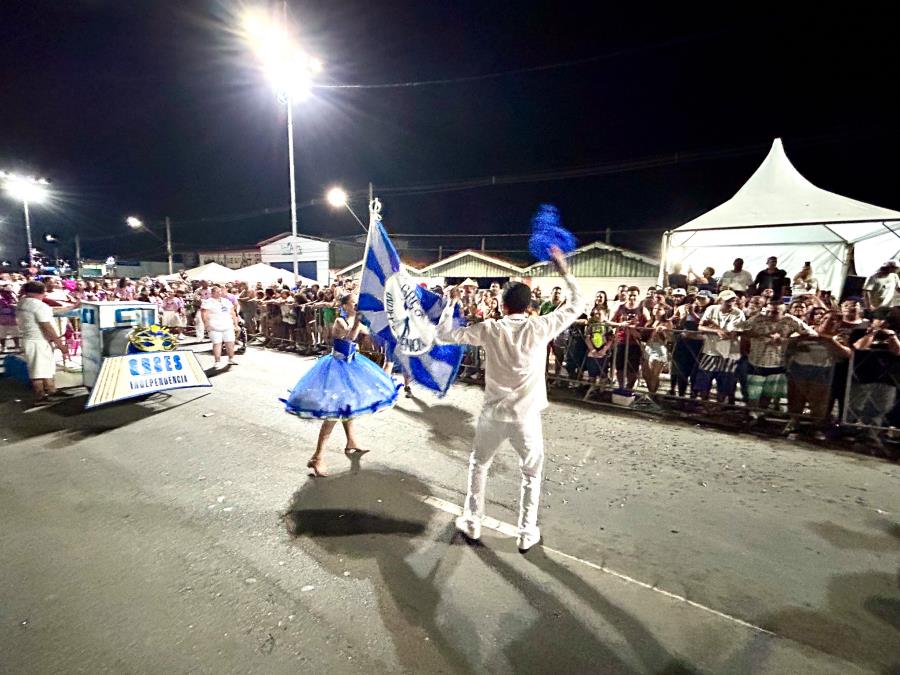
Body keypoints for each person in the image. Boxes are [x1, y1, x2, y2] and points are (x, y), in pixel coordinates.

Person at [437, 246, 583, 553]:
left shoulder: (491, 328)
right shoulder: (540, 325)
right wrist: (564, 270)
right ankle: (526, 532)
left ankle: (473, 522)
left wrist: (450, 305)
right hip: (526, 417)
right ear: (529, 306)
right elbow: (577, 304)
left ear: (503, 306)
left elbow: (446, 335)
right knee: (531, 474)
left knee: (479, 465)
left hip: (493, 415)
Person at [283, 295, 400, 476]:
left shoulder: (357, 321)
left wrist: (392, 332)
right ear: (345, 305)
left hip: (353, 364)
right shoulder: (340, 320)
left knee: (348, 405)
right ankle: (317, 457)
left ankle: (351, 441)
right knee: (333, 413)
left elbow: (373, 334)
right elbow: (348, 338)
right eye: (353, 302)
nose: (356, 305)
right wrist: (358, 323)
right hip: (337, 368)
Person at [15, 281, 69, 405]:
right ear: (41, 292)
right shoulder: (38, 305)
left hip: (32, 340)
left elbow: (52, 311)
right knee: (38, 370)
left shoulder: (23, 302)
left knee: (46, 367)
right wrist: (60, 345)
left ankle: (51, 390)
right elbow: (47, 326)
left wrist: (73, 307)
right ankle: (40, 397)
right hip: (37, 341)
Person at [696, 290, 745, 403]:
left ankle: (720, 404)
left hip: (730, 352)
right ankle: (704, 403)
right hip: (710, 349)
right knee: (705, 378)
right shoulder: (712, 309)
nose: (730, 302)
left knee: (725, 380)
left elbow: (732, 333)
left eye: (733, 300)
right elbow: (700, 327)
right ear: (720, 300)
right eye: (727, 300)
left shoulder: (738, 313)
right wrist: (716, 330)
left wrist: (714, 327)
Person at [609, 286, 649, 391]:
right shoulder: (620, 307)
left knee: (633, 368)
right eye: (630, 295)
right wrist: (620, 323)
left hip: (635, 342)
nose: (632, 298)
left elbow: (650, 323)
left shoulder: (642, 309)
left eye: (634, 295)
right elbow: (610, 322)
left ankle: (629, 388)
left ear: (638, 296)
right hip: (621, 340)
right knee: (620, 367)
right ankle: (621, 387)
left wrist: (638, 329)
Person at [201, 284, 240, 367]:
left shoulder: (226, 301)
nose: (220, 293)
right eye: (217, 292)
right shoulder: (207, 302)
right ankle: (217, 361)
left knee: (230, 343)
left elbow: (233, 313)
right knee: (217, 343)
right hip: (214, 326)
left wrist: (236, 324)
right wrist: (206, 325)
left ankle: (231, 358)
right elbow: (204, 314)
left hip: (228, 325)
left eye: (220, 291)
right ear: (212, 293)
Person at [0, 281, 20, 353]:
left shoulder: (13, 297)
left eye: (9, 292)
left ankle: (17, 347)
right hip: (2, 319)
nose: (9, 293)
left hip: (13, 318)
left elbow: (17, 305)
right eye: (7, 292)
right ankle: (3, 347)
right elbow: (9, 305)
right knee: (2, 335)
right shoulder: (1, 298)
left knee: (15, 334)